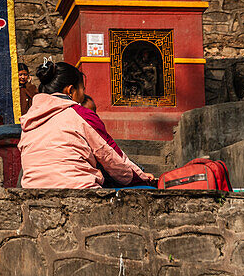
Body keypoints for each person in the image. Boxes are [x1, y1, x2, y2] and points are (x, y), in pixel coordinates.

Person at [19, 61, 154, 188]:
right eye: (82, 90)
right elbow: (111, 156)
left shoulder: (28, 121)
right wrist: (140, 177)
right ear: (70, 91)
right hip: (79, 190)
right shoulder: (80, 113)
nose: (83, 96)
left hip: (32, 191)